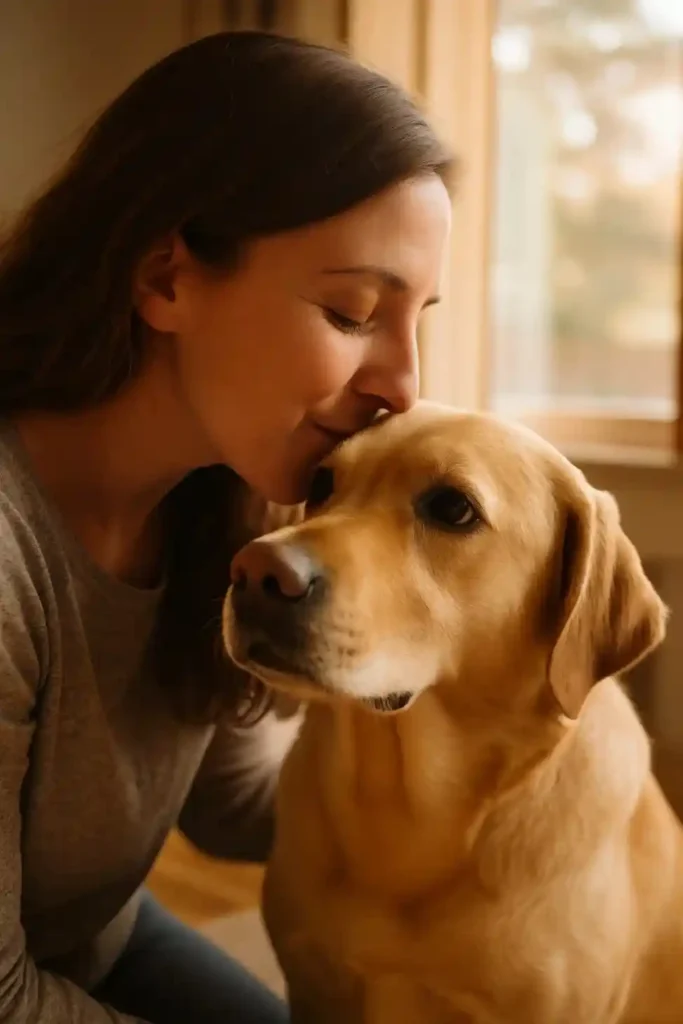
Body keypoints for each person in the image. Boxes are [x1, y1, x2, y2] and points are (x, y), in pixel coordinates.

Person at [0, 28, 453, 1024]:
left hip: (96, 932)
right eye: (351, 312)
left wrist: (494, 771)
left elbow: (244, 802)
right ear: (165, 277)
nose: (402, 385)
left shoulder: (221, 499)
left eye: (417, 317)